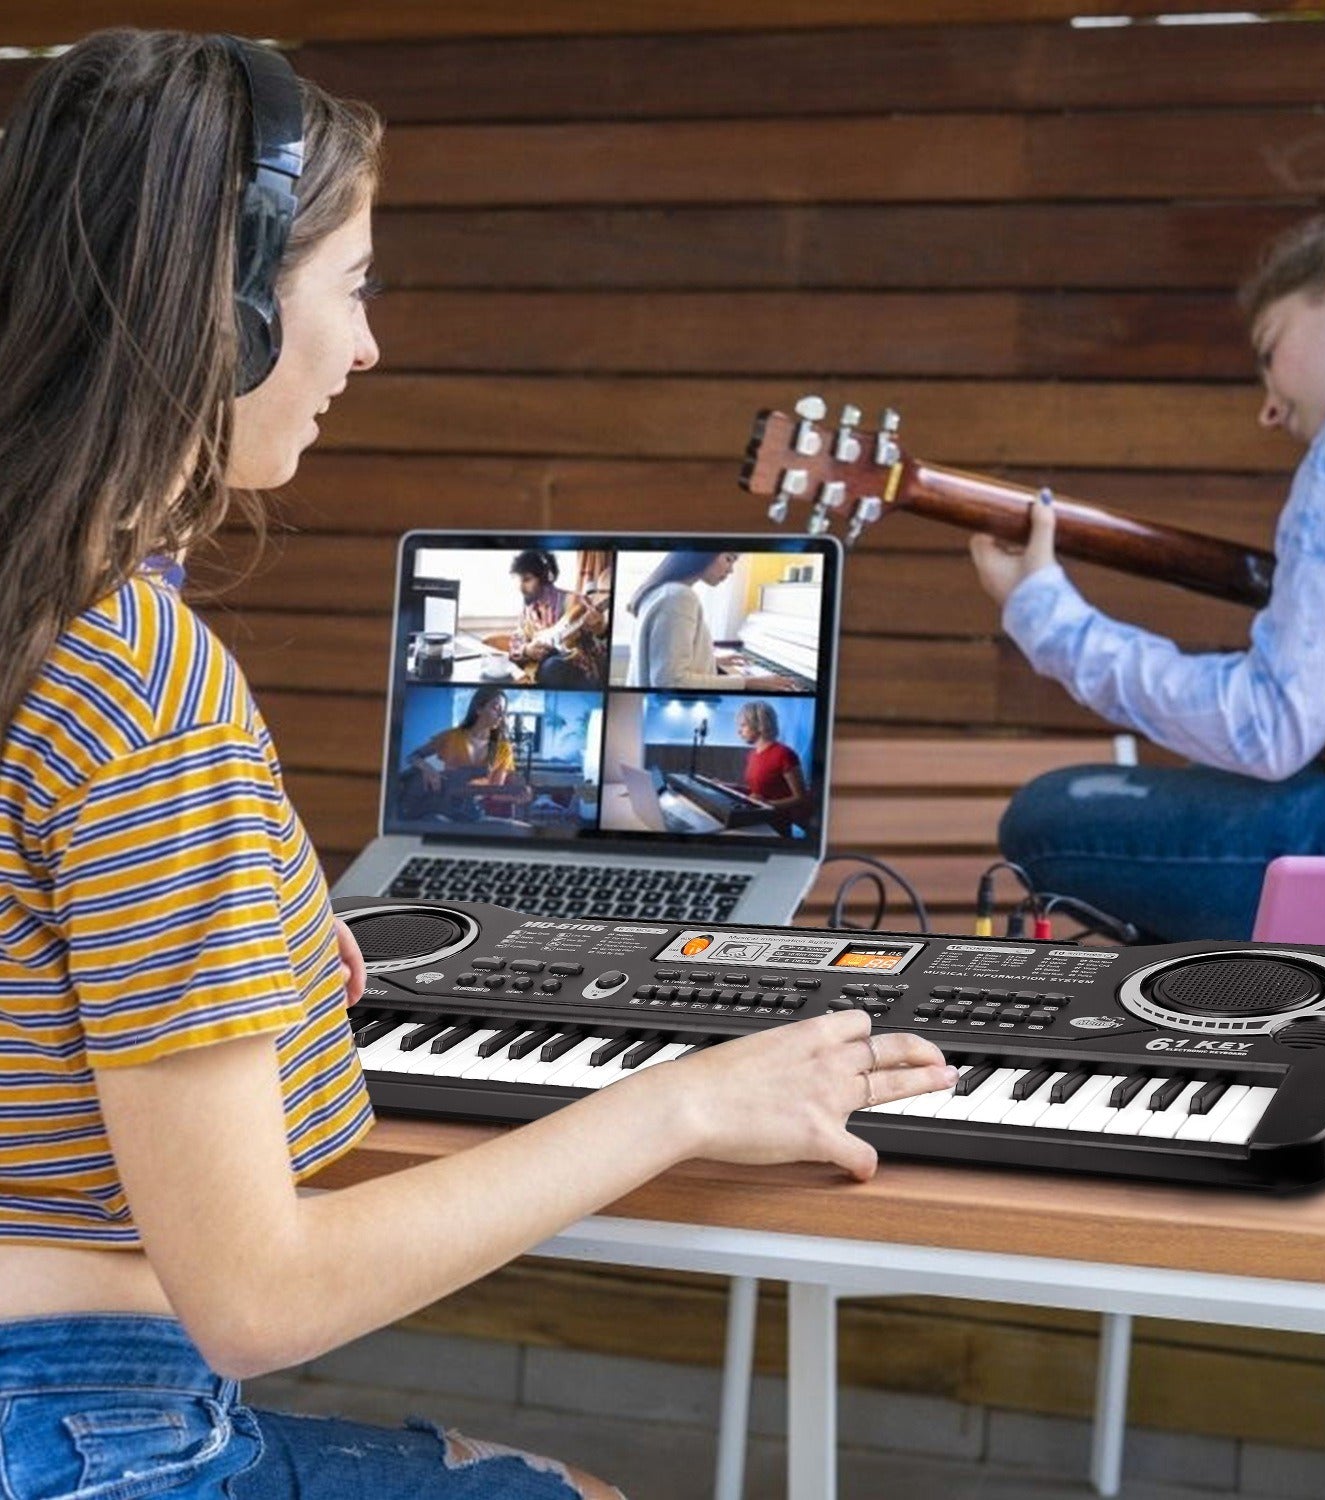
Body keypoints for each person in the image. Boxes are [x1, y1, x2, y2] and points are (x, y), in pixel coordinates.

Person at [0, 31, 956, 1500]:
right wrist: (683, 1101)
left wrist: (238, 920)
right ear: (231, 307)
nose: (369, 347)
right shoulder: (140, 678)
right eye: (355, 285)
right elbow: (259, 1301)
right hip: (86, 1432)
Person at [969, 182, 1325, 941]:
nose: (1269, 406)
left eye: (1269, 350)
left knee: (1054, 816)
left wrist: (1047, 616)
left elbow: (1268, 727)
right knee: (1205, 790)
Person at [624, 550, 798, 691]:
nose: (731, 570)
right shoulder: (678, 596)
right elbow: (671, 683)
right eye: (729, 559)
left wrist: (711, 661)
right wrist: (747, 682)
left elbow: (661, 661)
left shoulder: (663, 592)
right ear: (703, 553)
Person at [399, 685, 532, 822]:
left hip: (470, 810)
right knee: (435, 822)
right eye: (496, 708)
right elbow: (412, 756)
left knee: (515, 827)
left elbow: (493, 791)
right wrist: (429, 770)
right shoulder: (452, 736)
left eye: (503, 711)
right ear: (479, 709)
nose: (501, 715)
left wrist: (515, 796)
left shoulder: (502, 748)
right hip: (442, 807)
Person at [500, 548, 607, 689]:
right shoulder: (528, 609)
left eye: (527, 579)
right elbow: (516, 641)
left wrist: (598, 629)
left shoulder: (574, 601)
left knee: (553, 667)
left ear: (543, 577)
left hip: (576, 669)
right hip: (543, 667)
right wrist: (527, 649)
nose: (521, 587)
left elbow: (599, 645)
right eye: (518, 580)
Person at [735, 699, 813, 832]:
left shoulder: (785, 754)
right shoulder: (752, 754)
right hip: (756, 819)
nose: (739, 731)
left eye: (743, 725)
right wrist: (728, 786)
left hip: (777, 824)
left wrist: (768, 804)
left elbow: (801, 798)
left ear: (759, 725)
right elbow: (759, 792)